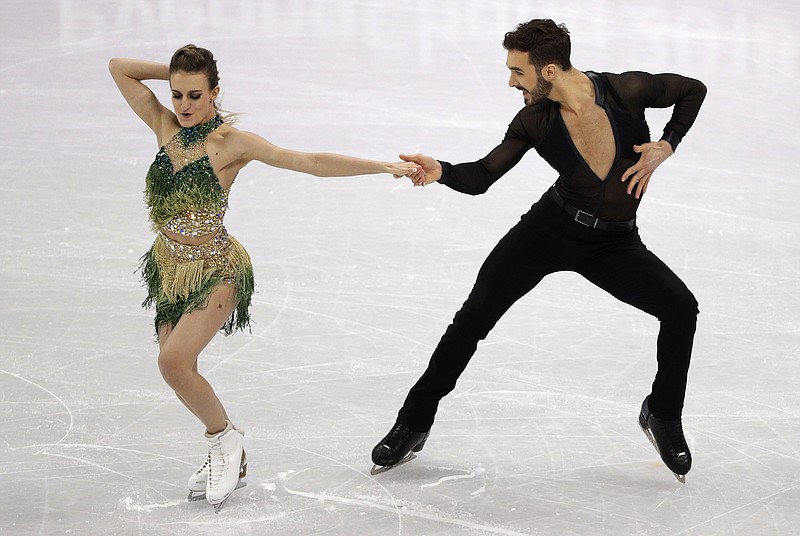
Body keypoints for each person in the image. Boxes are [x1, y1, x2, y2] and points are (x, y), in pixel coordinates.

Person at [372, 19, 706, 482]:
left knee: (680, 309)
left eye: (518, 72)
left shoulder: (625, 91)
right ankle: (413, 421)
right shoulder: (534, 120)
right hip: (547, 232)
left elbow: (693, 89)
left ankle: (662, 414)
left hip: (613, 241)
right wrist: (440, 170)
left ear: (549, 70)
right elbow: (482, 176)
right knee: (472, 319)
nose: (511, 81)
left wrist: (666, 145)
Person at [109, 44, 418, 511]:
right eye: (176, 95)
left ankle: (224, 442)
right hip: (170, 270)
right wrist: (169, 72)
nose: (185, 106)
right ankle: (227, 445)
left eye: (195, 94)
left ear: (215, 92)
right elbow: (119, 69)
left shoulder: (233, 143)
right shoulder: (165, 128)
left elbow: (310, 162)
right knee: (179, 372)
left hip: (216, 270)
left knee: (172, 364)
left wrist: (383, 166)